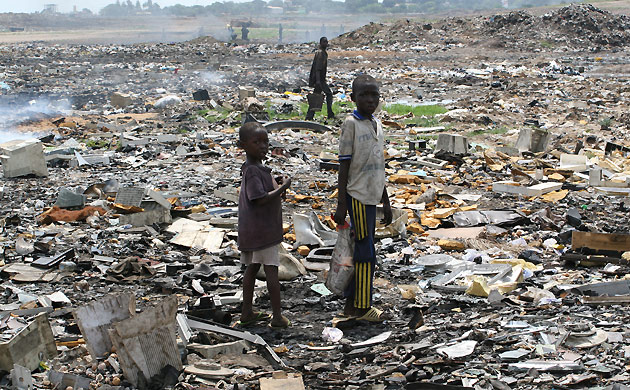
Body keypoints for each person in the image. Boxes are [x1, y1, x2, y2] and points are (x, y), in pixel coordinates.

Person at [333, 75, 392, 322]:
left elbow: (378, 165)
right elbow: (344, 166)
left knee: (363, 250)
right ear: (352, 98)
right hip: (357, 195)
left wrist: (385, 201)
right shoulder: (351, 124)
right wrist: (341, 204)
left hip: (372, 197)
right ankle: (362, 306)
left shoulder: (376, 124)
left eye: (374, 95)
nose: (370, 100)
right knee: (366, 254)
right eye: (364, 95)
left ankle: (352, 305)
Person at [237, 122, 291, 329]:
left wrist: (275, 182)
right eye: (256, 142)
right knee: (271, 272)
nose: (263, 146)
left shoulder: (257, 169)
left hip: (255, 231)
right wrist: (283, 187)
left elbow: (262, 188)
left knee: (251, 269)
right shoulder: (252, 170)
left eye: (265, 142)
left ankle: (247, 311)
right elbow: (259, 198)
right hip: (262, 232)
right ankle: (277, 316)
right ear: (243, 145)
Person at [306, 37, 334, 120]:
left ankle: (309, 116)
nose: (326, 43)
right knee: (329, 94)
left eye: (327, 42)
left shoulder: (323, 53)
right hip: (319, 80)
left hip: (320, 79)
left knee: (316, 97)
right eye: (324, 42)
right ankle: (330, 113)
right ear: (320, 43)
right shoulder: (320, 53)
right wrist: (318, 81)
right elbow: (318, 69)